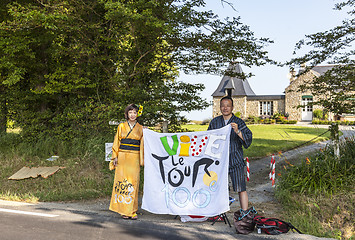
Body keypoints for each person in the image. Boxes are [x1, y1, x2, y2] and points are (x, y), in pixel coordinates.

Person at [207, 96, 252, 211]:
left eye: (228, 105)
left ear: (232, 107)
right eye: (223, 105)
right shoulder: (215, 122)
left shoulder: (238, 122)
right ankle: (217, 212)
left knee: (240, 188)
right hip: (218, 161)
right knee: (217, 187)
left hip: (235, 159)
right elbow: (207, 139)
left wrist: (237, 131)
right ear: (220, 107)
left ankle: (244, 213)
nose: (225, 108)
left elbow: (248, 139)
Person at [109, 104, 144, 220]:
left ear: (137, 114)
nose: (132, 115)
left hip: (134, 157)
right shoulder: (121, 126)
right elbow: (116, 142)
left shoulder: (141, 128)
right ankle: (123, 210)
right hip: (123, 156)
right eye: (130, 112)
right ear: (127, 114)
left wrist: (147, 133)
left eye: (134, 112)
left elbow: (143, 144)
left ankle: (132, 210)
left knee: (133, 182)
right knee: (122, 181)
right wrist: (115, 157)